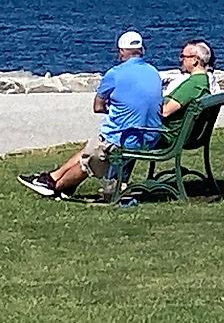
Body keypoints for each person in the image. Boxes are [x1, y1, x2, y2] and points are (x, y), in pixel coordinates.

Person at [17, 31, 162, 198]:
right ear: (141, 50)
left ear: (121, 51)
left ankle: (56, 186)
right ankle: (51, 177)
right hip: (150, 137)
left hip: (124, 139)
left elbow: (98, 106)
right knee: (93, 145)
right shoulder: (153, 73)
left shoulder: (115, 74)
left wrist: (113, 108)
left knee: (91, 156)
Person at [159, 40, 213, 146]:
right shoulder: (202, 81)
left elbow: (165, 111)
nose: (181, 60)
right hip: (183, 134)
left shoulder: (193, 85)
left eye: (183, 57)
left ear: (194, 60)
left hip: (168, 135)